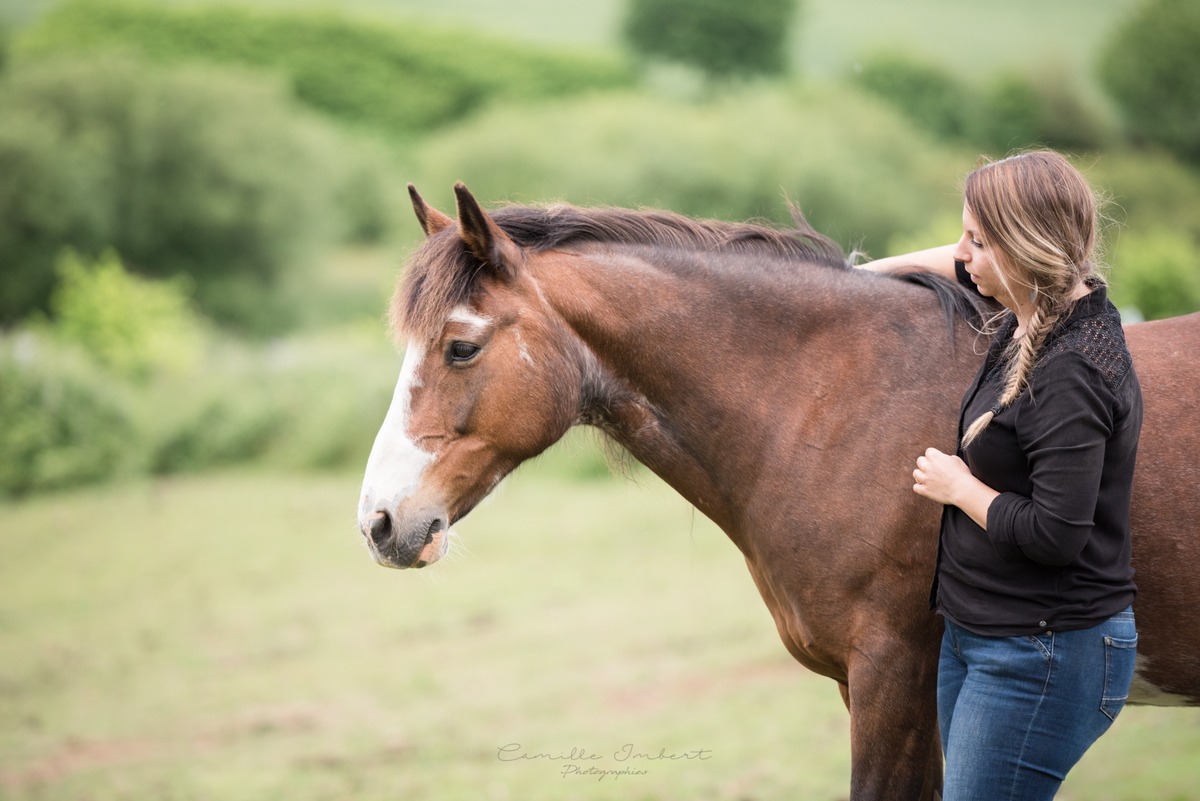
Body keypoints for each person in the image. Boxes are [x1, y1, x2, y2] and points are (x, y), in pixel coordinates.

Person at [859, 150, 1142, 800]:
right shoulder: (1041, 309)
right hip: (981, 640)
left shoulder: (1071, 370)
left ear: (1022, 250)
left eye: (978, 241)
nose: (962, 256)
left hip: (1041, 655)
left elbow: (1056, 534)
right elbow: (953, 262)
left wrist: (962, 488)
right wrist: (852, 277)